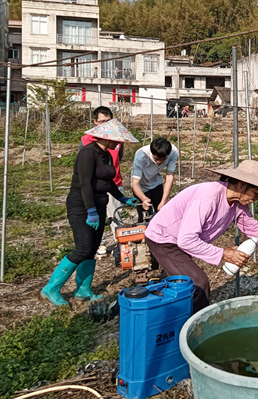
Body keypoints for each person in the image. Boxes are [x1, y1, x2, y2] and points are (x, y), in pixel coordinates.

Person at [144, 160, 258, 313]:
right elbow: (186, 239)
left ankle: (175, 317)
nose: (255, 200)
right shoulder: (208, 198)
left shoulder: (237, 204)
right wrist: (224, 253)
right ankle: (197, 328)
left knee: (182, 284)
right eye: (255, 194)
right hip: (163, 239)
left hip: (179, 241)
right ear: (241, 185)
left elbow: (254, 229)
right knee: (197, 282)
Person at [41, 119, 139, 306]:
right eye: (116, 140)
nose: (119, 144)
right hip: (81, 205)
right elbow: (85, 183)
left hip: (99, 205)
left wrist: (123, 198)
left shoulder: (107, 154)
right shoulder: (87, 153)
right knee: (83, 248)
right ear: (105, 138)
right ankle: (51, 288)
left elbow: (108, 182)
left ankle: (83, 290)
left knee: (92, 249)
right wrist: (90, 211)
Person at [80, 107, 124, 241]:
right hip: (95, 188)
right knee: (95, 221)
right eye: (102, 121)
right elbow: (84, 171)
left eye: (109, 121)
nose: (106, 125)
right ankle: (97, 246)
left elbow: (118, 159)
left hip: (114, 184)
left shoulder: (117, 140)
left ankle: (121, 247)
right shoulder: (86, 141)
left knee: (117, 218)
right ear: (95, 122)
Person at [131, 137, 179, 222]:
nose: (159, 162)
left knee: (159, 215)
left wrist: (164, 200)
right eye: (156, 159)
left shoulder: (173, 152)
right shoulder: (141, 155)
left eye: (163, 160)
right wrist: (144, 199)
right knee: (143, 219)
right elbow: (135, 183)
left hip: (156, 183)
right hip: (141, 187)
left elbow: (169, 176)